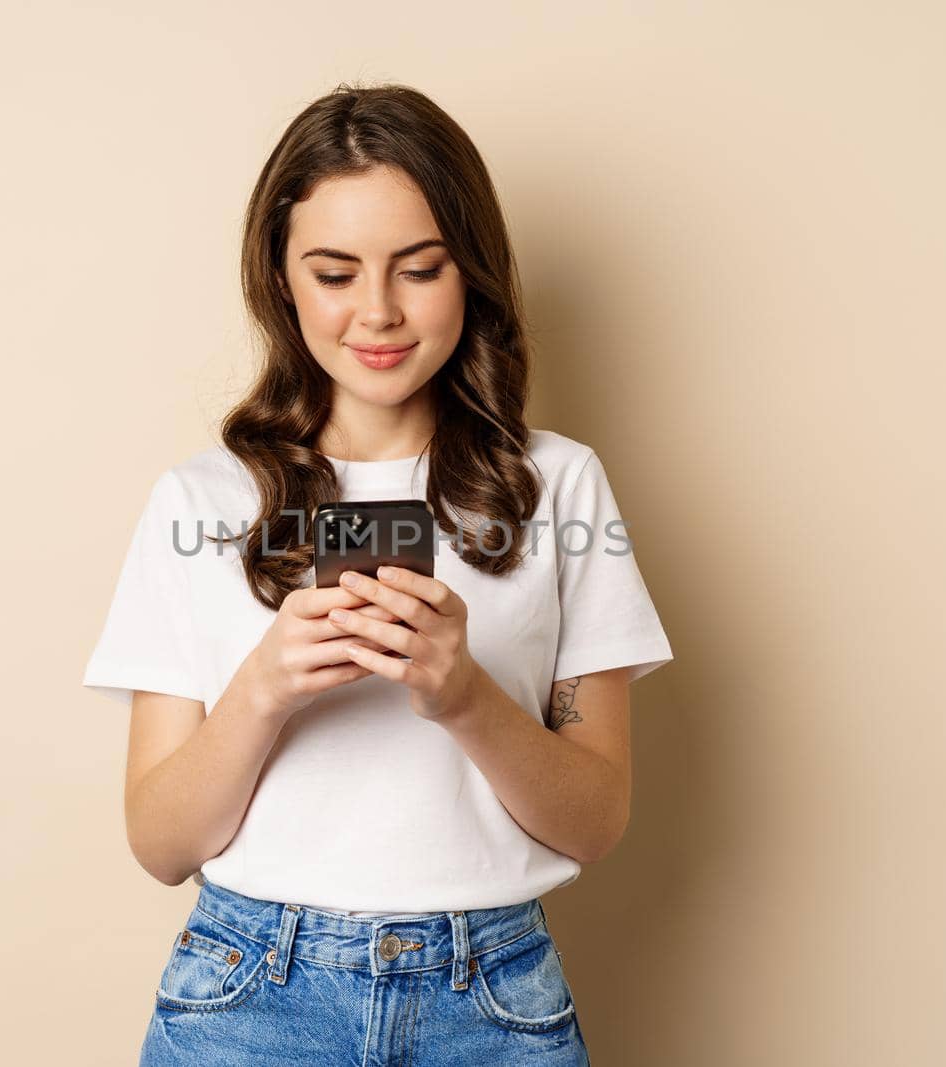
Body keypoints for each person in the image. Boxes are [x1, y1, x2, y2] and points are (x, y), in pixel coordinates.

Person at [82, 82, 673, 1066]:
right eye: (333, 271)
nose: (378, 311)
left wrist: (463, 694)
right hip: (247, 991)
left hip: (489, 996)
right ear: (281, 282)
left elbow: (596, 817)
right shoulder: (200, 500)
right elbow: (160, 842)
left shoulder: (558, 484)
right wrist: (266, 685)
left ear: (470, 273)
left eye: (420, 267)